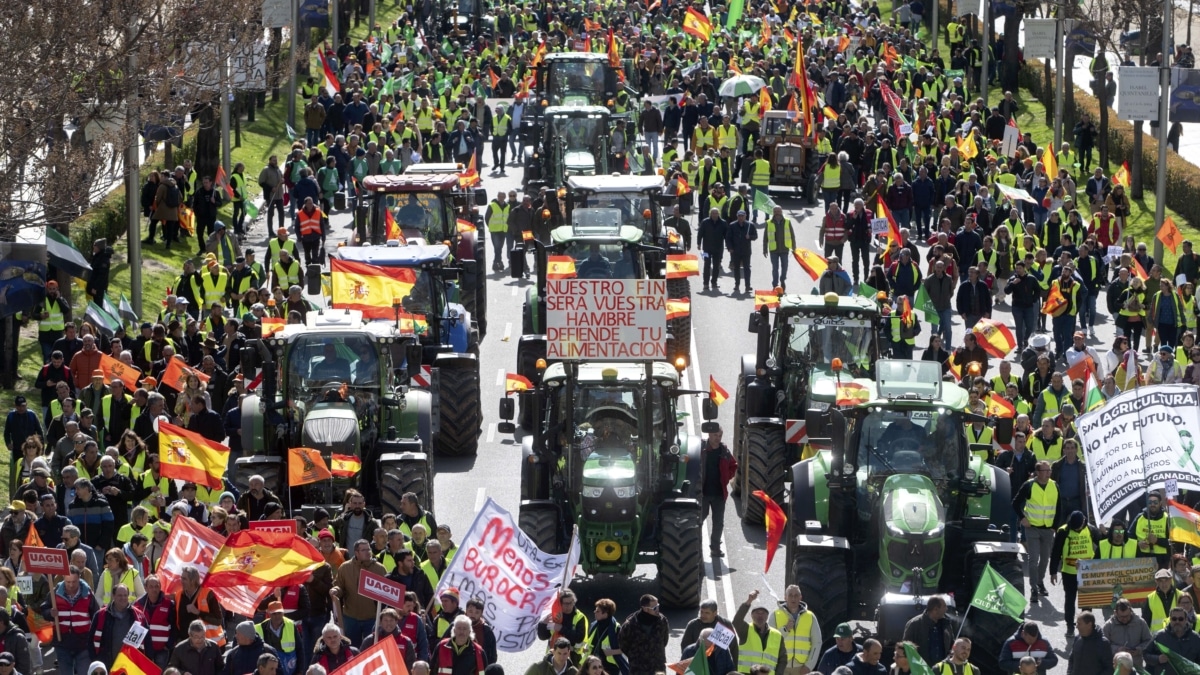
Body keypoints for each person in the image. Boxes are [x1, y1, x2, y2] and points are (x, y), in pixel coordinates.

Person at [1012, 461, 1064, 604]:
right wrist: (1023, 518)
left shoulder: (1054, 486)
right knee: (1033, 560)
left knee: (1045, 560)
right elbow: (1015, 503)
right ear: (1038, 472)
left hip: (1048, 529)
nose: (1048, 473)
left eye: (1049, 470)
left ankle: (1040, 582)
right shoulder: (1029, 485)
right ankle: (1034, 588)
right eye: (1046, 470)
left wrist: (1055, 526)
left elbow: (1059, 507)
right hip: (1032, 528)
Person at [1050, 511, 1099, 635]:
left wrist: (1097, 564)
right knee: (1070, 599)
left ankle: (1087, 626)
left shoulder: (1091, 529)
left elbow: (1102, 545)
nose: (1076, 529)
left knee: (1087, 601)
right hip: (1069, 572)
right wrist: (1053, 572)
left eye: (1078, 527)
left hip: (1087, 572)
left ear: (1083, 522)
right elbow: (1056, 552)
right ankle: (1070, 626)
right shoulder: (1063, 531)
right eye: (1074, 527)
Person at [330, 539, 386, 646]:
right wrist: (336, 590)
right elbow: (339, 585)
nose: (368, 552)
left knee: (371, 647)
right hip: (351, 617)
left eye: (368, 549)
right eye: (364, 550)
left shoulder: (379, 569)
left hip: (372, 617)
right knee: (352, 647)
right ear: (356, 552)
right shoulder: (345, 567)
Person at [699, 426, 736, 558]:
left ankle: (715, 548)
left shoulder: (724, 451)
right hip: (703, 493)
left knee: (718, 523)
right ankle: (696, 548)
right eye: (715, 435)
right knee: (698, 521)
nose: (717, 438)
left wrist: (726, 477)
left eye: (720, 435)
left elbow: (733, 465)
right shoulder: (701, 449)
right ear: (709, 434)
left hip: (719, 494)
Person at [771, 584, 821, 675]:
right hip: (781, 667)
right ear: (785, 597)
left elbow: (817, 643)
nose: (793, 598)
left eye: (796, 595)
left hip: (801, 669)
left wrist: (809, 666)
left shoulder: (810, 616)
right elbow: (770, 641)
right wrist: (785, 629)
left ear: (800, 597)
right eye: (790, 595)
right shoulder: (775, 615)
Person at [732, 591, 786, 674]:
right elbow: (736, 621)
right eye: (757, 613)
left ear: (767, 616)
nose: (760, 616)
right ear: (752, 616)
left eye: (763, 613)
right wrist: (748, 602)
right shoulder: (746, 630)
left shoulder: (777, 635)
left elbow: (783, 659)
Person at [617, 595, 669, 675]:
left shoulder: (662, 621)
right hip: (638, 669)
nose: (657, 610)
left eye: (658, 606)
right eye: (654, 608)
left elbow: (664, 641)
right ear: (645, 608)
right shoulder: (630, 625)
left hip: (658, 667)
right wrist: (636, 655)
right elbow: (623, 645)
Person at [537, 590, 588, 663]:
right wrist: (543, 624)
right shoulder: (554, 616)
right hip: (553, 655)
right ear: (560, 604)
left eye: (571, 603)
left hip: (573, 656)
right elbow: (543, 637)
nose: (569, 606)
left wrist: (561, 628)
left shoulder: (580, 617)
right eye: (566, 603)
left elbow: (579, 638)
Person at [1146, 607, 1200, 675]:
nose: (1177, 622)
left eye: (1181, 619)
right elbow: (1145, 654)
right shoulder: (1159, 636)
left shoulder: (1195, 638)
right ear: (1170, 620)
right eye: (1174, 619)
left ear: (1186, 620)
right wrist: (1157, 659)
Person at [901, 597, 952, 666]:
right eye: (944, 606)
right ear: (935, 609)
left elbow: (951, 645)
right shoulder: (914, 624)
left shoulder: (946, 625)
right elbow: (906, 649)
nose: (946, 609)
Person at [584, 599, 626, 675]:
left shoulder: (617, 628)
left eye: (597, 611)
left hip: (610, 668)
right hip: (593, 666)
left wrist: (612, 652)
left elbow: (626, 648)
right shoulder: (594, 625)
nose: (594, 612)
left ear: (606, 613)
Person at [1134, 492, 1171, 569]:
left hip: (1162, 559)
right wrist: (1138, 543)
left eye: (1155, 502)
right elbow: (1129, 536)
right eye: (1150, 502)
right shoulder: (1140, 517)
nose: (1152, 504)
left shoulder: (1167, 518)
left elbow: (1174, 542)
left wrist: (1157, 540)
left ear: (1160, 503)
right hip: (1143, 557)